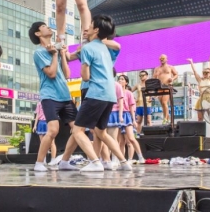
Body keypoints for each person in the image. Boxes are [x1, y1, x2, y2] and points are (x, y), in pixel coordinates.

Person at [72, 15, 132, 172]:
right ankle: (124, 162)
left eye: (91, 24)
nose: (88, 27)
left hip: (95, 93)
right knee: (101, 132)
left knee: (77, 130)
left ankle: (95, 162)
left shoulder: (87, 48)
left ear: (96, 30)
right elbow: (117, 46)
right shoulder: (107, 49)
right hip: (110, 95)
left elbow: (85, 76)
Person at [29, 21, 80, 172]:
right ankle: (39, 163)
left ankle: (64, 161)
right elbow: (51, 73)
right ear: (38, 33)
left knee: (79, 130)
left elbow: (68, 72)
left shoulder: (55, 49)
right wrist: (55, 54)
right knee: (53, 130)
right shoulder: (39, 53)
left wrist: (62, 53)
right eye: (44, 26)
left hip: (65, 95)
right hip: (49, 95)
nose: (48, 27)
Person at [188, 55, 210, 136]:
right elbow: (195, 72)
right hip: (201, 98)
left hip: (209, 98)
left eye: (207, 73)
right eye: (204, 73)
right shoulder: (200, 80)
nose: (205, 74)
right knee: (200, 118)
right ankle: (200, 134)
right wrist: (191, 62)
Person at [118, 75, 144, 163]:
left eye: (122, 79)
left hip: (126, 115)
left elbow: (131, 107)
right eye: (119, 79)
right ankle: (122, 160)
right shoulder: (116, 92)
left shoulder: (128, 93)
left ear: (126, 82)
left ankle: (138, 157)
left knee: (131, 139)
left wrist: (133, 120)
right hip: (118, 115)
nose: (120, 81)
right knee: (121, 141)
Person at [152, 54, 178, 124]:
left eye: (163, 58)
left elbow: (176, 74)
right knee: (162, 104)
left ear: (166, 59)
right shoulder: (157, 68)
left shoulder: (170, 67)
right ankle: (167, 117)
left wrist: (172, 79)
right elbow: (154, 78)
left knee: (164, 102)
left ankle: (165, 118)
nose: (162, 59)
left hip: (167, 86)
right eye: (160, 58)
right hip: (160, 87)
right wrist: (156, 75)